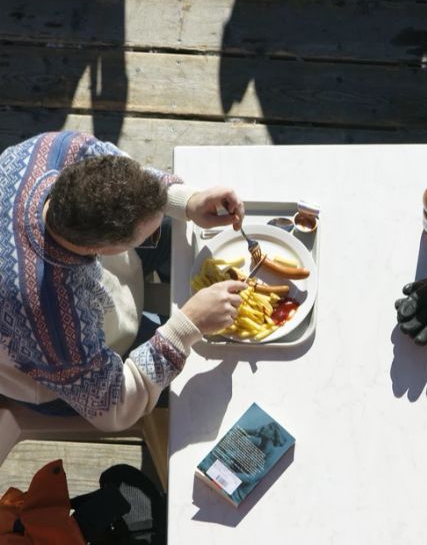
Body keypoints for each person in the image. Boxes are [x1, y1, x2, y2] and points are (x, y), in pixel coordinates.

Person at [0, 131, 247, 431]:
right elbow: (112, 406)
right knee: (200, 374)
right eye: (141, 236)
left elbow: (132, 176)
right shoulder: (55, 315)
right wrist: (186, 326)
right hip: (55, 376)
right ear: (103, 251)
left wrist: (190, 201)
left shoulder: (57, 148)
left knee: (170, 224)